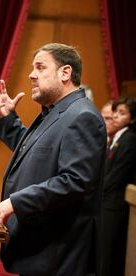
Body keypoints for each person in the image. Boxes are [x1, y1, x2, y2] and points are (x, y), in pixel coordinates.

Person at [0, 43, 106, 276]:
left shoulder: (83, 116)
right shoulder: (56, 112)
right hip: (43, 249)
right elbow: (36, 154)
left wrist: (14, 202)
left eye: (40, 67)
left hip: (59, 255)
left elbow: (74, 181)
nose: (31, 75)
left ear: (65, 73)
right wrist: (8, 121)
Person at [101, 97, 136, 276]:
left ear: (132, 119)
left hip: (114, 205)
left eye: (122, 113)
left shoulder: (129, 139)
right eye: (115, 111)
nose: (114, 116)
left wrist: (97, 192)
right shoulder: (117, 137)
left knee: (109, 256)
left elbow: (116, 176)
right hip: (107, 203)